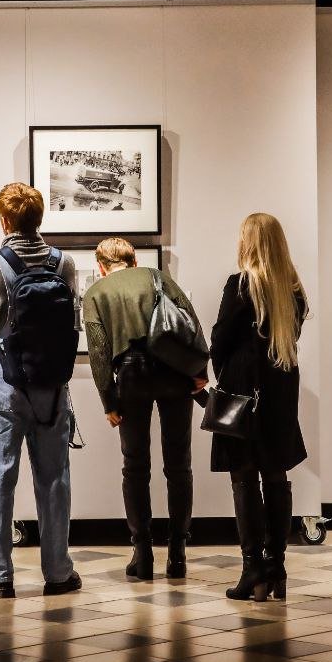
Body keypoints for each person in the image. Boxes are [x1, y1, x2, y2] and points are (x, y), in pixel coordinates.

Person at [0, 182, 82, 599]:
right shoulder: (64, 263)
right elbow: (72, 313)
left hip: (6, 378)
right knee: (54, 477)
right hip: (52, 381)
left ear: (4, 220)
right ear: (39, 218)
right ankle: (58, 572)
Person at [83, 238, 207, 580]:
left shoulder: (96, 293)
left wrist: (108, 400)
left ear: (101, 266)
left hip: (131, 376)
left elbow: (98, 351)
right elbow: (190, 323)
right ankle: (178, 553)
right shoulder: (157, 277)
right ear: (133, 259)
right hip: (174, 373)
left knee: (135, 466)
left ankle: (143, 554)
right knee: (179, 465)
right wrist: (199, 371)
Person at [211, 213, 309, 602]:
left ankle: (252, 567)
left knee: (244, 478)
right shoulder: (294, 290)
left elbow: (220, 340)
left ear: (248, 243)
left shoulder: (241, 285)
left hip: (243, 390)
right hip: (281, 388)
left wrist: (223, 372)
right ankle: (276, 565)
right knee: (275, 474)